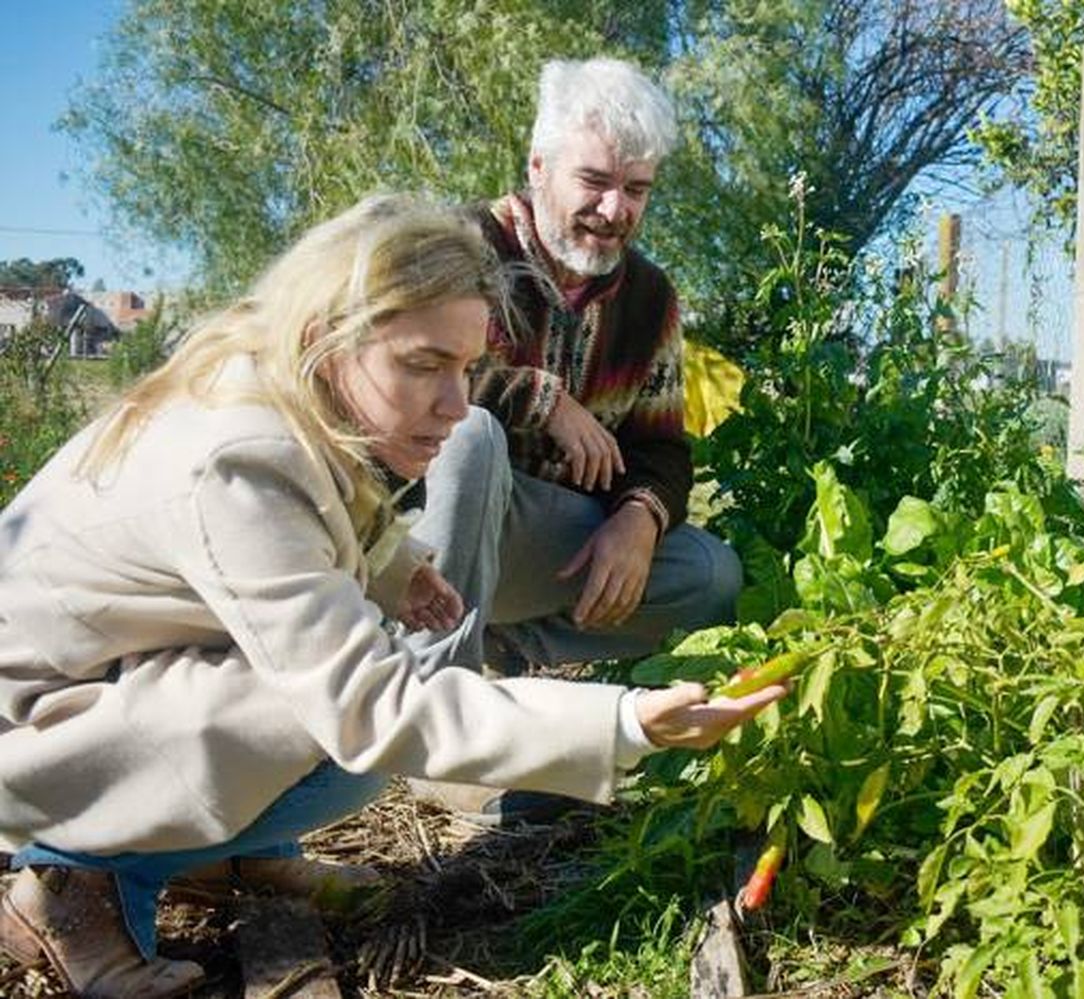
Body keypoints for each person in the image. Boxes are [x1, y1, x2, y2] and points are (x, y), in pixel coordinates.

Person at [0, 194, 782, 999]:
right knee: (335, 732)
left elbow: (314, 511)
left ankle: (225, 851)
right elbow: (375, 704)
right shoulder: (238, 458)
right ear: (328, 337)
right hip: (29, 728)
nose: (457, 403)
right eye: (423, 365)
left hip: (88, 680)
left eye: (468, 368)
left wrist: (394, 564)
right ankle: (70, 880)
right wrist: (619, 722)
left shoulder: (279, 389)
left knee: (327, 688)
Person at [409, 57, 740, 683]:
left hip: (536, 540)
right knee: (470, 438)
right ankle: (431, 689)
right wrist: (543, 401)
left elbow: (661, 448)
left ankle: (508, 644)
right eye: (594, 181)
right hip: (411, 528)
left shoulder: (650, 298)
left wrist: (639, 518)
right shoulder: (461, 247)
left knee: (708, 575)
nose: (615, 210)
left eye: (637, 189)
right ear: (539, 168)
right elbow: (399, 379)